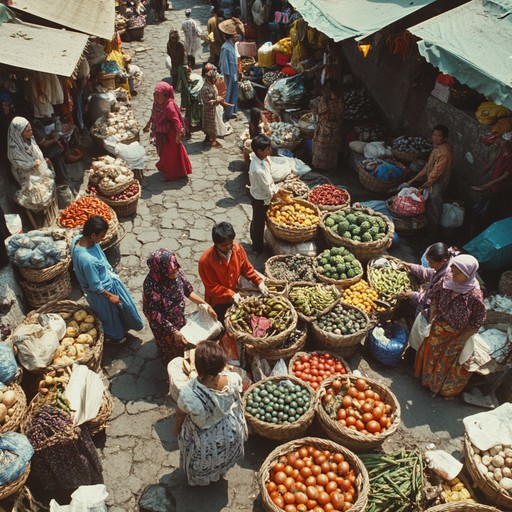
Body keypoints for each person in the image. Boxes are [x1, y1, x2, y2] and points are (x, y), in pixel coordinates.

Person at [174, 340, 247, 486]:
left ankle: (203, 481)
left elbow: (180, 414)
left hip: (203, 439)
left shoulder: (188, 394)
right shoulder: (233, 379)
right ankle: (219, 474)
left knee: (204, 460)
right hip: (229, 430)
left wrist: (176, 430)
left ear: (198, 367)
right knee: (222, 455)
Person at [414, 254, 486, 399]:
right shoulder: (447, 280)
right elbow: (434, 298)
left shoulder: (475, 296)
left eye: (457, 273)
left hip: (456, 335)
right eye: (452, 271)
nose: (452, 275)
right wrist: (433, 318)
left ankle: (436, 389)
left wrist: (462, 339)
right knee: (431, 356)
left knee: (445, 363)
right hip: (439, 327)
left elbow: (477, 321)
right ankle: (426, 381)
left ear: (468, 274)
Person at [71, 216, 144, 344]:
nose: (103, 238)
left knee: (122, 310)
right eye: (101, 235)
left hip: (110, 283)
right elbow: (95, 286)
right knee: (110, 317)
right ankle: (115, 338)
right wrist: (110, 296)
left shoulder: (79, 240)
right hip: (102, 294)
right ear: (93, 235)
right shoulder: (88, 260)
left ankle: (123, 328)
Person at [143, 249, 217, 366]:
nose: (175, 272)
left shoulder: (178, 273)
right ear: (161, 272)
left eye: (176, 268)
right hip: (163, 326)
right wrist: (173, 331)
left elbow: (189, 292)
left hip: (178, 317)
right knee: (168, 349)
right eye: (171, 272)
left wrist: (205, 305)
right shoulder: (151, 286)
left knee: (182, 343)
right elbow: (153, 313)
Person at [198, 222, 269, 322]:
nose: (228, 247)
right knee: (221, 322)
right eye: (224, 245)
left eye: (230, 243)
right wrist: (231, 294)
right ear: (215, 244)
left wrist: (259, 281)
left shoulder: (237, 248)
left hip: (235, 293)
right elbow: (212, 288)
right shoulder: (205, 261)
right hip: (218, 301)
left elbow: (246, 268)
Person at [408, 125, 453, 235]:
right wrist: (411, 181)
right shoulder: (436, 148)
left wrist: (423, 187)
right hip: (432, 180)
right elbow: (428, 167)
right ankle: (428, 227)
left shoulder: (444, 152)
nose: (435, 138)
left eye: (439, 136)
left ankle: (432, 233)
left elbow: (435, 174)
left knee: (434, 206)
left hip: (438, 182)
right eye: (434, 135)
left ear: (445, 138)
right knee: (429, 203)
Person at [143, 82, 192, 181]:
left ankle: (171, 175)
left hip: (170, 135)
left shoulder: (169, 107)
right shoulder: (157, 103)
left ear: (165, 96)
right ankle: (174, 170)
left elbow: (176, 121)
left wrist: (178, 135)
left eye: (158, 95)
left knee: (170, 155)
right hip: (161, 134)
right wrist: (148, 125)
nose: (156, 97)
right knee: (163, 154)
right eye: (154, 95)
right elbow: (153, 114)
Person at [7, 116, 55, 211]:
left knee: (47, 181)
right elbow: (20, 164)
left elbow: (37, 152)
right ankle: (40, 212)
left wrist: (42, 160)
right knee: (35, 193)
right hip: (24, 173)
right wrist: (33, 164)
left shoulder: (30, 138)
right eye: (28, 131)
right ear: (19, 133)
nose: (31, 132)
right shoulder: (13, 147)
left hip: (35, 166)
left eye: (31, 129)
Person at [404, 242, 458, 320]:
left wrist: (411, 294)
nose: (429, 265)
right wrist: (409, 265)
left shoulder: (446, 280)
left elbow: (430, 299)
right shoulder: (444, 265)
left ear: (443, 261)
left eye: (431, 262)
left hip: (433, 311)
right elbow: (428, 273)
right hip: (429, 303)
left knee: (422, 322)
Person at [471, 131, 512, 228]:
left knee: (493, 208)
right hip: (493, 182)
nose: (501, 142)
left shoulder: (510, 157)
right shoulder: (502, 151)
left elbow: (506, 174)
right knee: (486, 204)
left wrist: (492, 182)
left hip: (500, 186)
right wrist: (488, 168)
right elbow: (494, 158)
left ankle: (487, 224)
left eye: (503, 141)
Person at [248, 134, 280, 253]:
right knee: (259, 223)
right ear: (260, 151)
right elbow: (268, 189)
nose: (270, 150)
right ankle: (257, 247)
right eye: (267, 149)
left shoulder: (261, 159)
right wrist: (279, 191)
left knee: (257, 219)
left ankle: (255, 240)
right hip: (260, 199)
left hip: (259, 195)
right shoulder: (258, 170)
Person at [31, 119, 74, 193]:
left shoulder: (37, 123)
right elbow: (44, 144)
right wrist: (54, 139)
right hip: (40, 154)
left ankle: (63, 179)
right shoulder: (33, 129)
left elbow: (44, 138)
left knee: (58, 157)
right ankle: (64, 179)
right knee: (59, 149)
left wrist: (52, 135)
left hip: (44, 149)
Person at [312, 79, 344, 174]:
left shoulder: (338, 101)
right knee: (323, 150)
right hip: (328, 129)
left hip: (332, 130)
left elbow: (339, 113)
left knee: (329, 151)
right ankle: (321, 168)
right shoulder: (324, 101)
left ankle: (326, 168)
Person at [219, 21, 240, 121]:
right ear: (231, 37)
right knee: (228, 92)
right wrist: (226, 75)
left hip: (234, 72)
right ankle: (227, 112)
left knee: (235, 91)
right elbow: (224, 63)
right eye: (236, 36)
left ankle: (232, 111)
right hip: (228, 74)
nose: (237, 37)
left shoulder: (232, 45)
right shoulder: (225, 47)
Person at [200, 70, 223, 148]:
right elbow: (207, 102)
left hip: (214, 108)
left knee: (211, 125)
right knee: (211, 125)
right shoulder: (205, 88)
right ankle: (213, 141)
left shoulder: (212, 85)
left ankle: (208, 138)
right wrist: (216, 100)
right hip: (208, 110)